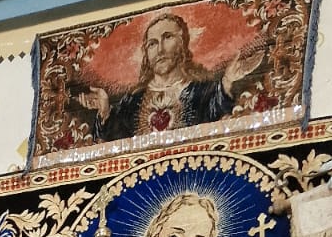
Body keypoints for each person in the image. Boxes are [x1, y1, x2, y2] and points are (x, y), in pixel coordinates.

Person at [81, 11, 264, 145]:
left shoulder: (201, 91)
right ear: (146, 52)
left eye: (167, 37)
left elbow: (217, 112)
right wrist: (104, 110)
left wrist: (228, 81)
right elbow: (112, 139)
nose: (160, 50)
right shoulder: (132, 101)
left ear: (182, 42)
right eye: (152, 44)